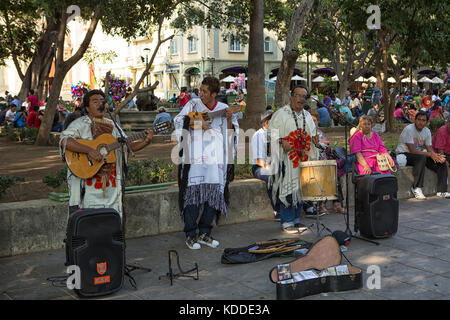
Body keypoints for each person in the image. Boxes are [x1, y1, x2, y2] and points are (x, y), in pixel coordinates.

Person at [59, 89, 154, 216]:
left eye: (102, 101)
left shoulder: (113, 125)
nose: (100, 104)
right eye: (95, 101)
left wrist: (146, 141)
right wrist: (89, 150)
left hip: (111, 188)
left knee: (111, 221)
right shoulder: (79, 124)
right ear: (87, 108)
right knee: (89, 222)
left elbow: (127, 146)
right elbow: (65, 141)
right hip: (88, 189)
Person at [173, 77, 239, 250]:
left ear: (214, 94)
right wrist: (197, 122)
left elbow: (231, 134)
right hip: (194, 158)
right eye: (200, 90)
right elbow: (178, 121)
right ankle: (190, 234)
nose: (200, 94)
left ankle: (204, 233)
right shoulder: (193, 105)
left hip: (215, 158)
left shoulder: (224, 109)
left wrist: (230, 119)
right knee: (193, 194)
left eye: (204, 91)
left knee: (212, 195)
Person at [267, 85, 321, 234]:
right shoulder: (281, 114)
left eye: (304, 96)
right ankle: (287, 221)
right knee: (288, 188)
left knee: (301, 189)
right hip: (287, 160)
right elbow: (270, 133)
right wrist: (281, 141)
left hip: (303, 158)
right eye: (298, 95)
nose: (301, 99)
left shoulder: (307, 116)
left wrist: (315, 140)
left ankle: (296, 220)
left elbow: (312, 136)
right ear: (291, 97)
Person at [395, 111, 449, 199]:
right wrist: (430, 154)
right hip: (405, 154)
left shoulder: (427, 131)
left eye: (423, 120)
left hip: (420, 154)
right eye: (419, 119)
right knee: (421, 158)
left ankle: (441, 191)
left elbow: (429, 148)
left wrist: (436, 156)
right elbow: (412, 150)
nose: (420, 122)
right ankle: (416, 187)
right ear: (415, 120)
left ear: (426, 122)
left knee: (441, 161)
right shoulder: (409, 129)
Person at [310, 111, 345, 214]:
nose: (313, 122)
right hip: (313, 163)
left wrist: (328, 147)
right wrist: (322, 143)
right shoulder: (306, 133)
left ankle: (337, 204)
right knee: (323, 175)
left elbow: (328, 147)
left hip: (325, 161)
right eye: (311, 120)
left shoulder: (320, 132)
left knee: (335, 175)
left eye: (315, 120)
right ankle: (321, 204)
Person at [251, 110, 280, 220]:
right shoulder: (259, 135)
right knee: (271, 176)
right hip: (260, 167)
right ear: (267, 122)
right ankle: (278, 210)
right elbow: (259, 160)